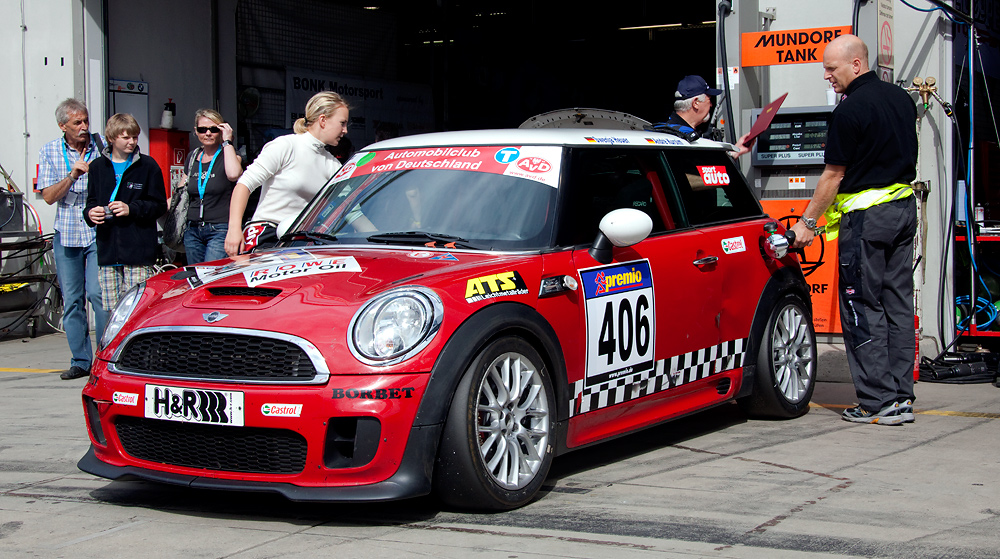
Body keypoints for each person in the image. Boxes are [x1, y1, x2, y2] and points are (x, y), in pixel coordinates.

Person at [789, 34, 918, 425]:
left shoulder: (848, 111)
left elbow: (832, 176)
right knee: (897, 302)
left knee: (861, 304)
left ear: (856, 64)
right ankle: (900, 397)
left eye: (831, 68)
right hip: (903, 211)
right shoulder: (901, 99)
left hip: (867, 220)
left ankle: (876, 402)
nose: (826, 76)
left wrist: (807, 223)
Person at [225, 91, 356, 256]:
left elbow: (351, 210)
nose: (345, 131)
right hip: (266, 237)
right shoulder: (285, 145)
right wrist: (234, 229)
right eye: (342, 123)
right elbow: (244, 185)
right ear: (323, 120)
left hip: (300, 243)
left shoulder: (333, 165)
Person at [37, 99, 110, 380]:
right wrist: (73, 174)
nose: (83, 127)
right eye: (77, 123)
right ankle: (81, 360)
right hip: (66, 233)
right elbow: (48, 196)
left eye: (86, 121)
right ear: (62, 126)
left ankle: (104, 358)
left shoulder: (102, 146)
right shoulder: (50, 151)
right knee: (72, 301)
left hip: (95, 230)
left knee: (98, 294)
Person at [84, 114, 168, 311]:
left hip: (138, 251)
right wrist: (90, 214)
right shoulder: (97, 167)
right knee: (111, 310)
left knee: (135, 308)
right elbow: (91, 202)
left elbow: (159, 205)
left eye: (135, 137)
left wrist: (131, 209)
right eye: (126, 137)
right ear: (111, 138)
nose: (132, 142)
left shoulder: (148, 166)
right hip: (108, 249)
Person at [181, 109, 243, 263]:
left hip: (219, 228)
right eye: (203, 129)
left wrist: (227, 141)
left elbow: (233, 174)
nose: (208, 133)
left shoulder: (228, 154)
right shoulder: (193, 156)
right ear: (196, 131)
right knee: (195, 277)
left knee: (211, 274)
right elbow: (181, 189)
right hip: (193, 227)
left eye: (213, 129)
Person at [668, 75, 751, 157]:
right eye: (709, 100)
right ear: (695, 103)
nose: (711, 105)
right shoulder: (676, 139)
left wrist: (737, 150)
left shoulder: (683, 134)